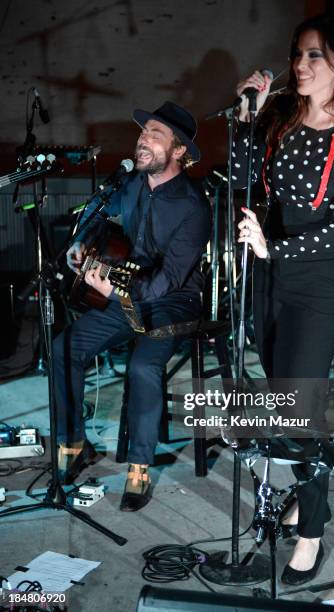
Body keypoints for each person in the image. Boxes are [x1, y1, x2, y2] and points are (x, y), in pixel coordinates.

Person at [232, 13, 334, 585]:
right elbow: (243, 177)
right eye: (298, 54)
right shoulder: (281, 119)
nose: (300, 64)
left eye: (314, 55)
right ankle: (308, 487)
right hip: (270, 271)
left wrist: (275, 248)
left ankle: (310, 530)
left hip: (317, 278)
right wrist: (246, 112)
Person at [54, 102, 211, 512]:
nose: (142, 139)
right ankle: (73, 443)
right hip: (124, 288)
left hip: (174, 302)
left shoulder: (194, 206)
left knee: (143, 365)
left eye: (154, 134)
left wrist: (111, 292)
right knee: (63, 348)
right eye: (143, 133)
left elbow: (166, 281)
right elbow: (100, 215)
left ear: (179, 151)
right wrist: (81, 243)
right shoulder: (133, 185)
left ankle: (139, 466)